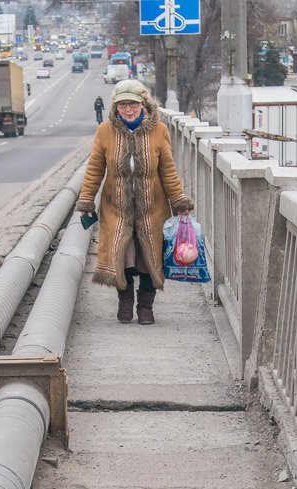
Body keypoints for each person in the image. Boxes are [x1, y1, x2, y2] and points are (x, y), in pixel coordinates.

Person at [76, 79, 193, 325]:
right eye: (122, 105)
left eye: (133, 104)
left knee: (150, 258)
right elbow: (95, 169)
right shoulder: (104, 131)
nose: (128, 110)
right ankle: (125, 301)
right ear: (115, 106)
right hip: (116, 208)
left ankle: (146, 307)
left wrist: (178, 199)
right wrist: (87, 199)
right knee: (123, 257)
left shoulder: (158, 130)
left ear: (143, 104)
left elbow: (168, 170)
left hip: (153, 209)